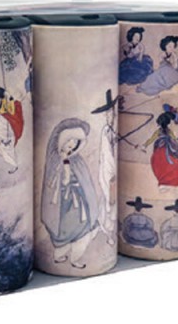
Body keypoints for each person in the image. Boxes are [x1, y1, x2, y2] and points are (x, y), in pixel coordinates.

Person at [41, 118, 100, 269]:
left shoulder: (76, 159)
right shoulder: (56, 160)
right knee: (65, 230)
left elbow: (85, 180)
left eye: (75, 142)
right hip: (64, 202)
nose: (72, 145)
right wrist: (65, 168)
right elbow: (57, 182)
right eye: (69, 141)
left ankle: (75, 258)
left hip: (79, 200)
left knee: (84, 228)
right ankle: (59, 255)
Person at [142, 104, 178, 190]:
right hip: (169, 146)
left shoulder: (160, 131)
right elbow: (174, 139)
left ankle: (167, 182)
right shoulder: (167, 131)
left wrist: (145, 145)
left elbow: (152, 139)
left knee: (163, 163)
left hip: (162, 146)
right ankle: (169, 181)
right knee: (175, 159)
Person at [91, 89, 119, 245]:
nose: (111, 117)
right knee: (109, 199)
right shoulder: (105, 131)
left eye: (112, 114)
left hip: (111, 169)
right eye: (108, 115)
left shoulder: (112, 130)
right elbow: (106, 154)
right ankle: (106, 229)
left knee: (111, 200)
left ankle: (108, 230)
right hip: (107, 170)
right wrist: (112, 171)